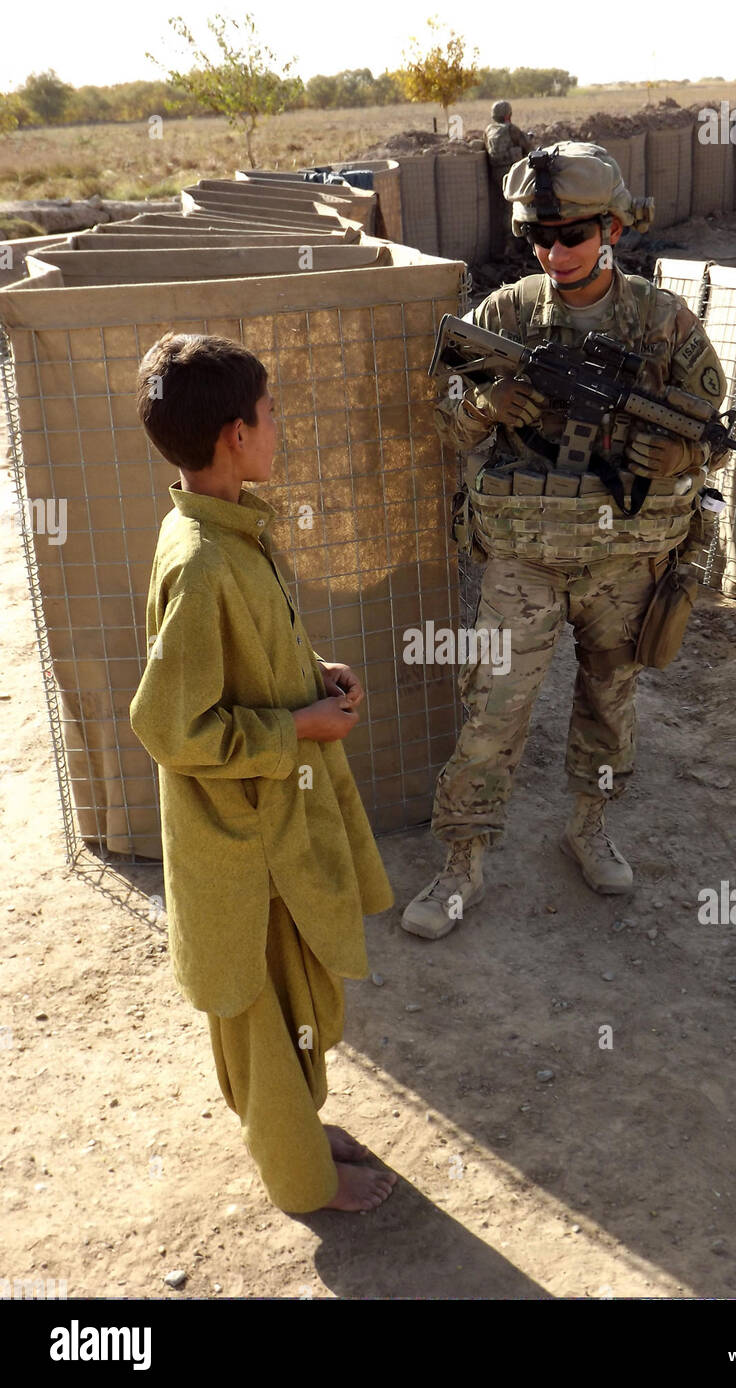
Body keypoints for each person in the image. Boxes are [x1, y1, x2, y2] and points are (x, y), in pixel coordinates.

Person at [401, 143, 729, 940]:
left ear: (611, 227)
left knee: (608, 702)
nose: (553, 252)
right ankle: (462, 862)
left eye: (572, 234)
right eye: (537, 236)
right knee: (494, 709)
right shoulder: (506, 314)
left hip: (625, 557)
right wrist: (490, 405)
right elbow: (443, 415)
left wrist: (685, 454)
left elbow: (714, 429)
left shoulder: (660, 320)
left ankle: (589, 825)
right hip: (524, 556)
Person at [129, 332, 397, 1214]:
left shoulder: (228, 529)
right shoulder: (202, 563)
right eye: (271, 413)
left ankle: (298, 1132)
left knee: (294, 997)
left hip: (273, 829)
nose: (280, 426)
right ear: (235, 435)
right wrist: (298, 729)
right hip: (239, 847)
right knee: (255, 1013)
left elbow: (246, 656)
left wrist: (309, 674)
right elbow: (172, 725)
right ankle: (302, 1183)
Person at [485, 100, 535, 258]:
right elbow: (528, 148)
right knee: (518, 206)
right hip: (512, 173)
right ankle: (512, 246)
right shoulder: (511, 129)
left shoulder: (488, 129)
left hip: (496, 174)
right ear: (509, 115)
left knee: (506, 207)